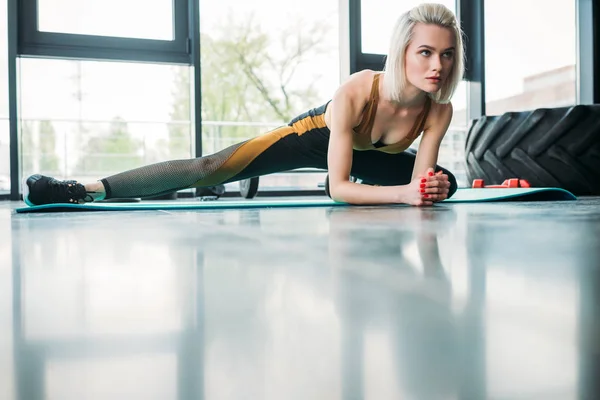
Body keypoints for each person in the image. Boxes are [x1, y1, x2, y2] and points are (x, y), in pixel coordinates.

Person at [23, 3, 463, 207]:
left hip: (367, 159)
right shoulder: (356, 91)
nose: (437, 65)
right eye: (425, 52)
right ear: (402, 51)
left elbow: (420, 187)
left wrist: (421, 189)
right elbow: (346, 193)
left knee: (445, 183)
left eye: (446, 54)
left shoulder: (436, 110)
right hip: (312, 138)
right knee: (209, 167)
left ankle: (333, 174)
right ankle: (81, 189)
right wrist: (403, 193)